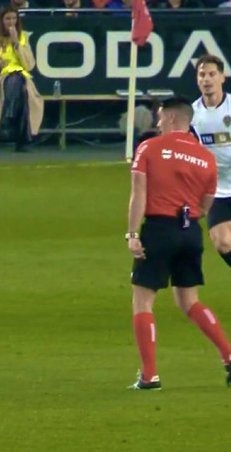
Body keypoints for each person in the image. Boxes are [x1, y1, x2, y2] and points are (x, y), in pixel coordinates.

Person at [127, 96, 231, 390]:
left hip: (159, 230)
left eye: (161, 117)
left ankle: (149, 375)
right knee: (189, 301)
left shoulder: (149, 148)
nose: (158, 122)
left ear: (172, 118)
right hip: (190, 232)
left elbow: (138, 193)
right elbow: (207, 203)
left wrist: (132, 234)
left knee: (143, 301)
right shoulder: (206, 158)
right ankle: (228, 355)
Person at [0, 6, 43, 152]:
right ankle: (24, 139)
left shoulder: (22, 37)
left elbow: (29, 65)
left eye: (14, 18)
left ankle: (8, 119)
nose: (11, 22)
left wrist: (16, 44)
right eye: (7, 19)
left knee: (20, 85)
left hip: (21, 77)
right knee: (19, 88)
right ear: (1, 20)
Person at [190, 55, 231, 273]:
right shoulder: (192, 115)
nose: (207, 79)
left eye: (212, 74)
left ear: (222, 77)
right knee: (222, 242)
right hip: (217, 190)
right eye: (202, 75)